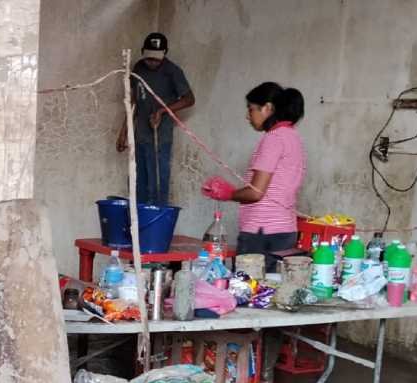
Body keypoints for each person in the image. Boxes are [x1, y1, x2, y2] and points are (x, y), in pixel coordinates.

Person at [201, 82, 307, 272]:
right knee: (273, 290)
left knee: (249, 290)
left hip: (262, 231)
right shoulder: (293, 137)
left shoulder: (273, 139)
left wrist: (228, 194)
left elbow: (256, 193)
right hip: (286, 229)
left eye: (251, 110)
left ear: (267, 108)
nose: (248, 116)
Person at [116, 32, 196, 205]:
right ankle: (139, 228)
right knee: (138, 185)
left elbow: (189, 100)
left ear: (165, 53)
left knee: (157, 186)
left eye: (157, 59)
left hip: (160, 139)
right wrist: (124, 132)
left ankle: (156, 228)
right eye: (149, 58)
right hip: (140, 136)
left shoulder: (172, 72)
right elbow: (134, 102)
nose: (152, 62)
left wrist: (162, 111)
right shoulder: (138, 68)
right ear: (143, 52)